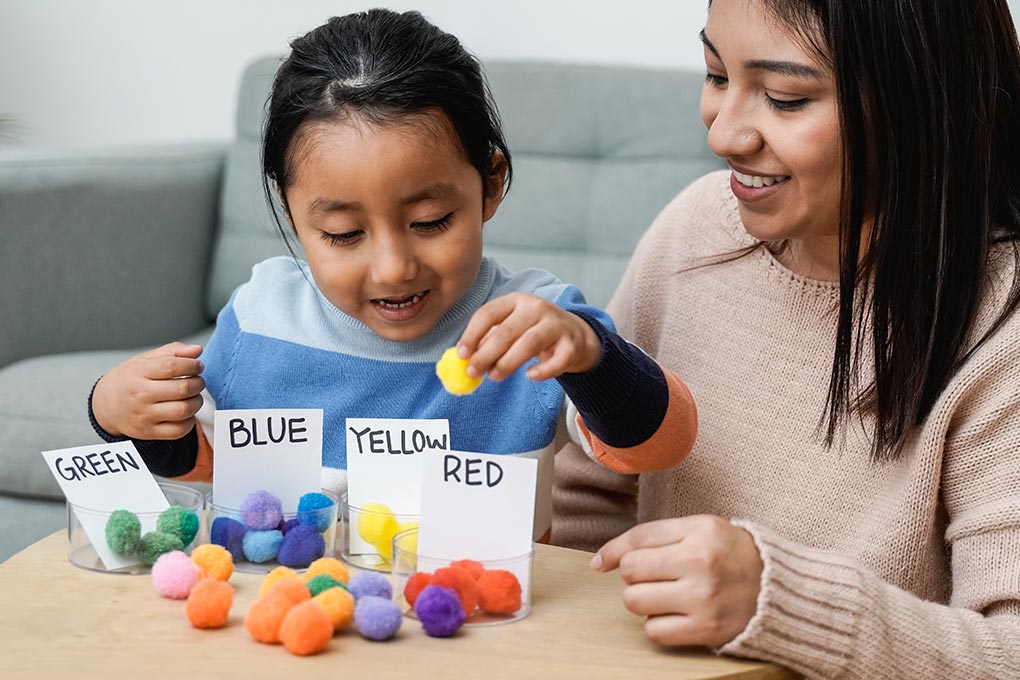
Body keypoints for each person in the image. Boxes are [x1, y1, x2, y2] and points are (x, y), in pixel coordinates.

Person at [85, 9, 698, 538]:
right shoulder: (263, 315)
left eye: (430, 221)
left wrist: (589, 355)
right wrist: (119, 414)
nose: (393, 268)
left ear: (490, 184)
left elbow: (660, 447)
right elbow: (203, 466)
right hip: (298, 621)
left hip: (472, 622)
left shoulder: (534, 326)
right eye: (343, 235)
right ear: (293, 214)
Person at [553, 0, 1020, 677]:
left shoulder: (1000, 325)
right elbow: (592, 495)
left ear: (919, 105)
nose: (725, 135)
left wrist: (782, 605)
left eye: (784, 98)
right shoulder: (694, 229)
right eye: (716, 75)